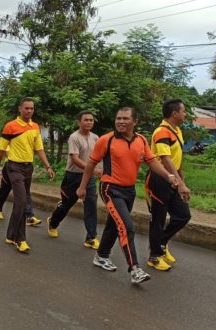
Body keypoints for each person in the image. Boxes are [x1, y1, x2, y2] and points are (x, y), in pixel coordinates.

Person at [77, 107, 179, 284]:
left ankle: (101, 256)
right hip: (110, 188)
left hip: (129, 190)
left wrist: (168, 176)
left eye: (125, 118)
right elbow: (91, 164)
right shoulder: (106, 140)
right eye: (118, 118)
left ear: (135, 122)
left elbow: (152, 162)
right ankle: (134, 269)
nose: (120, 122)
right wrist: (82, 187)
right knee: (126, 226)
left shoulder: (141, 141)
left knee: (114, 224)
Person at [0, 98, 55, 253]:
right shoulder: (10, 126)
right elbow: (0, 151)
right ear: (20, 109)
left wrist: (48, 166)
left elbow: (39, 148)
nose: (29, 111)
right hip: (14, 167)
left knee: (22, 201)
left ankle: (11, 235)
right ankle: (20, 239)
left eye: (32, 108)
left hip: (28, 168)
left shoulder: (35, 127)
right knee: (21, 202)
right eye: (26, 108)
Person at [146, 99, 192, 271]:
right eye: (184, 111)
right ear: (175, 114)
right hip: (160, 179)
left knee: (182, 215)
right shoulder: (161, 132)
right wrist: (179, 184)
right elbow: (165, 159)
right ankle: (154, 256)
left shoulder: (177, 131)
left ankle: (161, 244)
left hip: (173, 179)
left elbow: (177, 160)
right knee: (158, 219)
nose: (185, 114)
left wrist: (182, 182)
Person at [46, 111, 102, 249]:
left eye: (91, 120)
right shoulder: (74, 137)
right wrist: (92, 169)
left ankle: (91, 237)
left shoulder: (96, 138)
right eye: (86, 120)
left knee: (91, 205)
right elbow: (75, 159)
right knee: (67, 204)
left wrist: (99, 170)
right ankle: (53, 222)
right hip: (73, 176)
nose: (89, 122)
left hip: (88, 178)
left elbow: (99, 157)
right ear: (79, 122)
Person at [0, 148, 40, 226]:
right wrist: (15, 160)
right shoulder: (11, 136)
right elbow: (6, 151)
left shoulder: (29, 136)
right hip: (10, 167)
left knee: (25, 191)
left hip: (24, 168)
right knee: (5, 190)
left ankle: (29, 216)